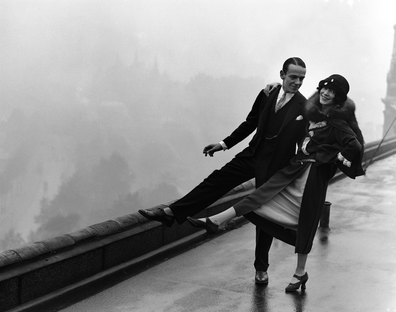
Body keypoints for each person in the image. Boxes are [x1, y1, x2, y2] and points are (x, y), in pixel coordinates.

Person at [187, 74, 365, 292]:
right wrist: (277, 85)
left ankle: (300, 272)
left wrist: (329, 157)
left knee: (306, 222)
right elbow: (287, 107)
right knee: (261, 196)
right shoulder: (311, 112)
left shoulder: (337, 122)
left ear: (339, 100)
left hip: (313, 176)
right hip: (294, 168)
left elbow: (354, 146)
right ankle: (215, 220)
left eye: (333, 93)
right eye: (325, 89)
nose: (327, 94)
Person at [139, 57, 308, 284]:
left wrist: (296, 171)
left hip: (277, 166)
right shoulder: (267, 94)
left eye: (301, 78)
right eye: (293, 77)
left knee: (264, 215)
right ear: (282, 75)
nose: (297, 82)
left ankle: (261, 268)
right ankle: (171, 213)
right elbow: (250, 123)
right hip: (254, 154)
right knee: (217, 180)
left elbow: (305, 143)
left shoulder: (304, 106)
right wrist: (224, 144)